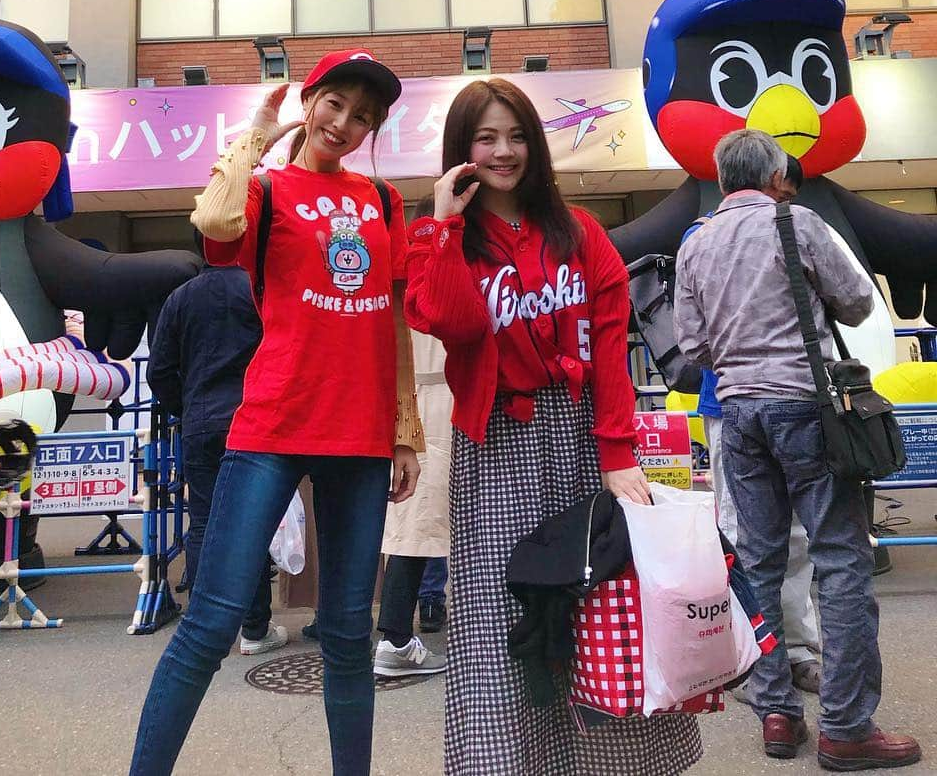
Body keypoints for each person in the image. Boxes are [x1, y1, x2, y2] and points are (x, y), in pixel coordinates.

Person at [130, 49, 424, 776]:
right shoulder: (266, 189)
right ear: (312, 101)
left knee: (350, 632)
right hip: (272, 425)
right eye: (335, 104)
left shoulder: (383, 202)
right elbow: (214, 219)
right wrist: (258, 131)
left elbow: (392, 317)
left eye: (363, 116)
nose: (345, 123)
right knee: (210, 621)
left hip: (358, 437)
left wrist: (404, 430)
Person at [404, 77, 702, 776]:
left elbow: (608, 352)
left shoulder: (580, 233)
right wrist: (445, 225)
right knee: (504, 615)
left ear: (535, 143)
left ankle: (611, 763)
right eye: (486, 137)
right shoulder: (438, 238)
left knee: (600, 605)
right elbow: (452, 322)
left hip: (578, 440)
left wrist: (619, 453)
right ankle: (506, 765)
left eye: (515, 135)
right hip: (497, 446)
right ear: (462, 150)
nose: (503, 151)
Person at [675, 128, 922, 771]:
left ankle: (777, 712)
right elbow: (856, 299)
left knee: (758, 560)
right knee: (840, 559)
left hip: (739, 413)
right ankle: (845, 725)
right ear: (776, 176)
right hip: (806, 408)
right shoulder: (798, 224)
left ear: (726, 179)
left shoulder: (695, 242)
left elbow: (692, 347)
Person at [695, 156, 822, 698]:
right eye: (784, 193)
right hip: (749, 405)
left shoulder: (705, 235)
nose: (783, 204)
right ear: (773, 182)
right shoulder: (714, 234)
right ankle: (753, 657)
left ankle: (788, 653)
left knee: (777, 538)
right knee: (753, 538)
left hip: (743, 406)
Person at [148, 236, 287, 655]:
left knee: (204, 520)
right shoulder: (259, 291)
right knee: (253, 520)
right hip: (252, 421)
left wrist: (186, 405)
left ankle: (204, 624)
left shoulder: (179, 299)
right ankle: (254, 628)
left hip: (200, 423)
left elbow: (160, 370)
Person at [374, 195, 452, 679]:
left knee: (411, 527)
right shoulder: (445, 269)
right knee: (423, 527)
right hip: (448, 399)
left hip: (405, 407)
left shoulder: (392, 278)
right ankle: (396, 639)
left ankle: (397, 635)